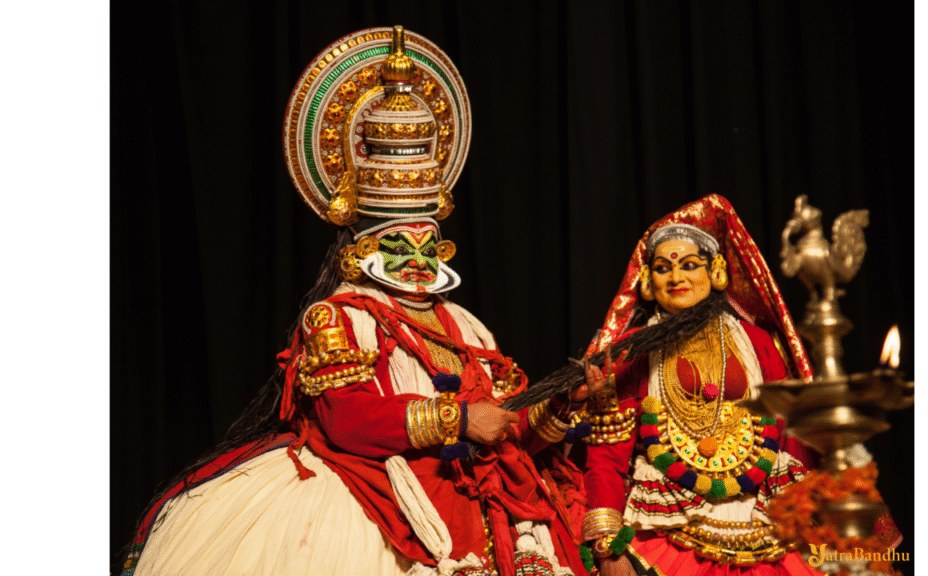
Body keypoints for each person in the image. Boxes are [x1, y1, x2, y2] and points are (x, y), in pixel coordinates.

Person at [121, 27, 601, 576]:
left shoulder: (466, 325)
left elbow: (508, 422)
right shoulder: (339, 316)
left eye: (428, 245)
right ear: (361, 251)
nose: (417, 260)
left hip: (482, 495)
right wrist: (459, 417)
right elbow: (344, 418)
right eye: (399, 245)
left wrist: (563, 406)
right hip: (383, 486)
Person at [577, 194, 823, 576]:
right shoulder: (631, 351)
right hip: (669, 529)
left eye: (690, 266)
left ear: (716, 272)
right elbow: (608, 448)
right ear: (647, 281)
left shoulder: (756, 342)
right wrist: (608, 545)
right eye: (662, 268)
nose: (676, 278)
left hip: (766, 522)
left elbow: (789, 436)